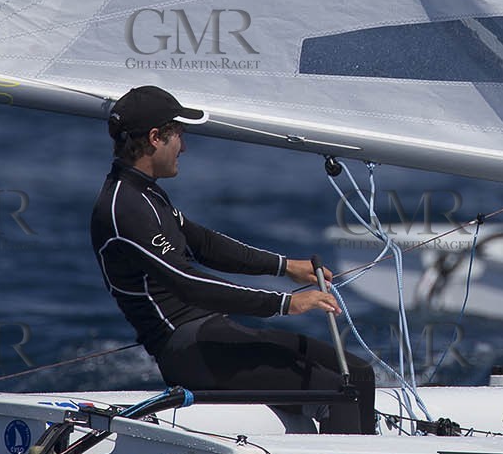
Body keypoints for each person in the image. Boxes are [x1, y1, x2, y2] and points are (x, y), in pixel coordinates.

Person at [91, 85, 376, 434]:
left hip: (211, 335)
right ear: (154, 138)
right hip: (189, 351)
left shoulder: (147, 194)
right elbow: (189, 284)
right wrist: (286, 303)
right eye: (178, 134)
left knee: (358, 371)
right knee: (340, 390)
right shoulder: (124, 207)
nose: (185, 145)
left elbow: (206, 244)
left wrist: (284, 266)